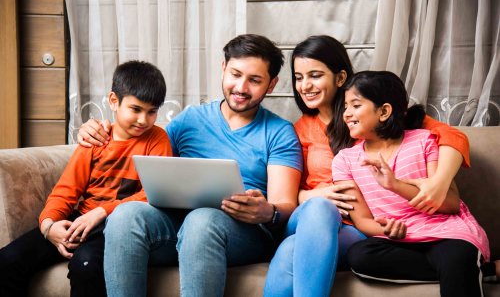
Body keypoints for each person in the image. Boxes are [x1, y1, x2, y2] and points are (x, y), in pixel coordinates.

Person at [77, 34, 303, 297]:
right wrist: (97, 130)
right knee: (126, 215)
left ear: (272, 84)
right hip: (177, 224)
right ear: (223, 69)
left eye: (254, 80)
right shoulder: (190, 120)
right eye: (235, 74)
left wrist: (267, 211)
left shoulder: (279, 132)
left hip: (245, 232)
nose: (241, 87)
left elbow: (286, 205)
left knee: (201, 220)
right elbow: (139, 146)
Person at [264, 35, 472, 297]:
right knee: (318, 209)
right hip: (311, 217)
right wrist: (316, 195)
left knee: (290, 251)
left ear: (339, 78)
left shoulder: (371, 116)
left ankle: (466, 267)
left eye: (315, 75)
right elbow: (288, 194)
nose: (305, 86)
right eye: (298, 77)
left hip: (357, 227)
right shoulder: (297, 130)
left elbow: (454, 137)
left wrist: (439, 183)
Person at [0, 60, 172, 297]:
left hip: (115, 227)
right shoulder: (95, 140)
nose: (144, 120)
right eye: (136, 109)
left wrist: (103, 212)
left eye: (152, 112)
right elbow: (66, 191)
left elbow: (156, 193)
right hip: (80, 220)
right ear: (114, 101)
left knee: (86, 263)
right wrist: (49, 225)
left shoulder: (157, 139)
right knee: (8, 260)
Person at [333, 70, 489, 297]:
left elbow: (450, 204)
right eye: (345, 106)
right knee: (360, 255)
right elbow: (363, 221)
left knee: (456, 255)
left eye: (355, 105)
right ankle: (476, 270)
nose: (346, 114)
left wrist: (395, 185)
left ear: (384, 111)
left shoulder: (423, 141)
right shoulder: (345, 160)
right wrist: (388, 230)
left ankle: (460, 266)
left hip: (444, 234)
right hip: (396, 241)